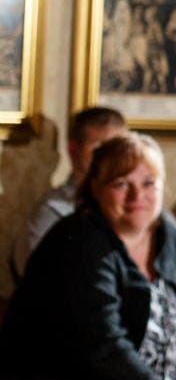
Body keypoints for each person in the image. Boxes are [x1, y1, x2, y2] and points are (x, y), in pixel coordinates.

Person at [0, 133, 176, 380]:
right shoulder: (81, 241)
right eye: (121, 184)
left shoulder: (165, 231)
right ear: (95, 189)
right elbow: (102, 346)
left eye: (149, 183)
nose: (137, 196)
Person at [10, 106, 126, 280]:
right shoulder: (52, 212)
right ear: (73, 150)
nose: (111, 159)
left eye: (118, 148)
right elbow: (36, 284)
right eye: (99, 149)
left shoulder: (137, 206)